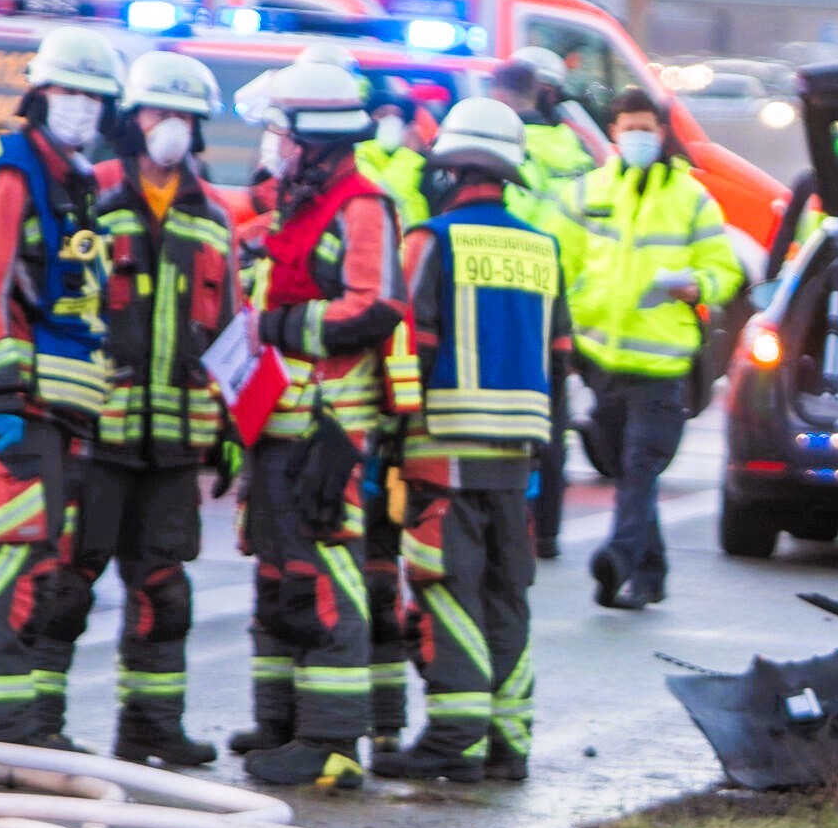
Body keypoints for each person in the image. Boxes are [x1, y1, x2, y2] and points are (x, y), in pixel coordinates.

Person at [0, 22, 123, 748]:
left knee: (40, 559)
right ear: (41, 95)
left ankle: (15, 727)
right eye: (68, 93)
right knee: (11, 555)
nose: (81, 108)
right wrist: (6, 393)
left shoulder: (72, 182)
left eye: (94, 98)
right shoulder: (13, 169)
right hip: (11, 409)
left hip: (56, 411)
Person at [375, 98, 567, 782]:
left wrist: (387, 440)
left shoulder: (431, 240)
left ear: (451, 171)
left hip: (445, 448)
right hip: (519, 458)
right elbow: (560, 356)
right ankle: (509, 741)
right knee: (505, 590)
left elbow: (409, 348)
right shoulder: (542, 248)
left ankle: (455, 733)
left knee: (446, 585)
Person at [226, 56, 401, 789]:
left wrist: (279, 322)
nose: (275, 145)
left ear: (316, 136)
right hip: (274, 429)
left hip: (329, 435)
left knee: (328, 579)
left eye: (281, 131)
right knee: (278, 578)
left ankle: (332, 740)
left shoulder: (363, 206)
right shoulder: (289, 210)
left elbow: (372, 306)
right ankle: (281, 722)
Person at [75, 49, 242, 768]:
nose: (169, 127)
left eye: (183, 116)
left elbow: (232, 327)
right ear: (131, 119)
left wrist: (233, 425)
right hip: (96, 435)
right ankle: (35, 721)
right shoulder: (92, 195)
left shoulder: (215, 218)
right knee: (63, 583)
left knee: (164, 592)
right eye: (157, 112)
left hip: (176, 444)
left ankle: (151, 727)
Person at [573, 86, 743, 610]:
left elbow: (726, 270)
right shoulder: (588, 191)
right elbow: (560, 259)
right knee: (628, 471)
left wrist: (698, 285)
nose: (639, 137)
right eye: (630, 129)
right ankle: (652, 575)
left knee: (640, 466)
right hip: (601, 360)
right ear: (614, 133)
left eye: (647, 128)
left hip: (662, 363)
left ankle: (618, 557)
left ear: (663, 133)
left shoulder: (690, 197)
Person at [484, 50, 604, 559]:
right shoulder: (576, 154)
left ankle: (503, 525)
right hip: (559, 306)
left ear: (505, 97)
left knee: (495, 420)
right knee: (550, 424)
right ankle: (547, 532)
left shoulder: (505, 150)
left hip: (504, 297)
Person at [358, 81, 432, 231]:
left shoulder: (418, 163)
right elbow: (388, 196)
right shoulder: (359, 158)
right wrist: (409, 154)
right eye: (382, 114)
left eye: (397, 115)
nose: (391, 120)